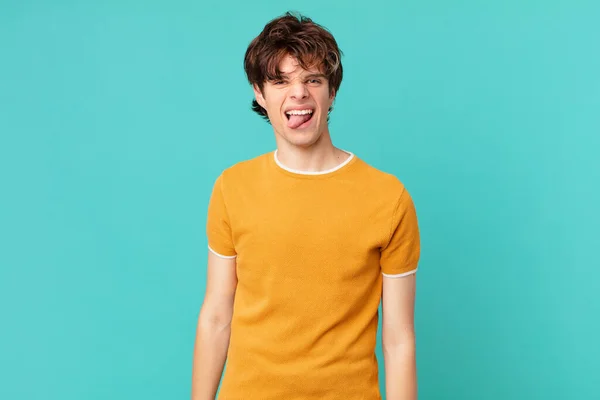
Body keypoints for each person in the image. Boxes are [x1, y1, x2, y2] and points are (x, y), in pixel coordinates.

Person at [191, 11, 421, 400]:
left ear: (332, 91)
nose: (298, 93)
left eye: (312, 80)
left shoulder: (388, 198)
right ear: (259, 94)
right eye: (280, 81)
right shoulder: (233, 188)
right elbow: (216, 316)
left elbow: (398, 340)